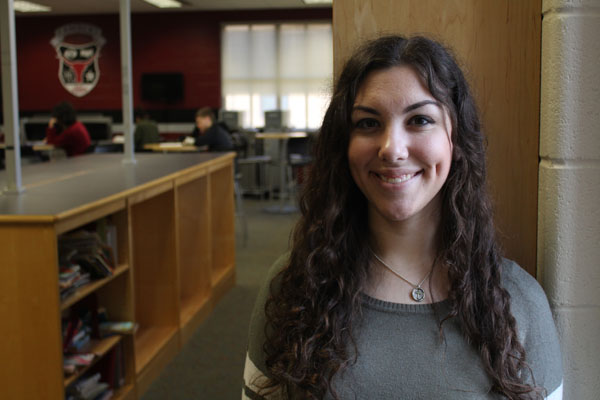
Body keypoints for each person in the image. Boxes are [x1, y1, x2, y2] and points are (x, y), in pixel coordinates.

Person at [244, 36, 563, 399]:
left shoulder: (518, 301)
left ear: (455, 140)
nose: (392, 149)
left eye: (420, 120)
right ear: (343, 144)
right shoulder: (293, 287)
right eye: (367, 123)